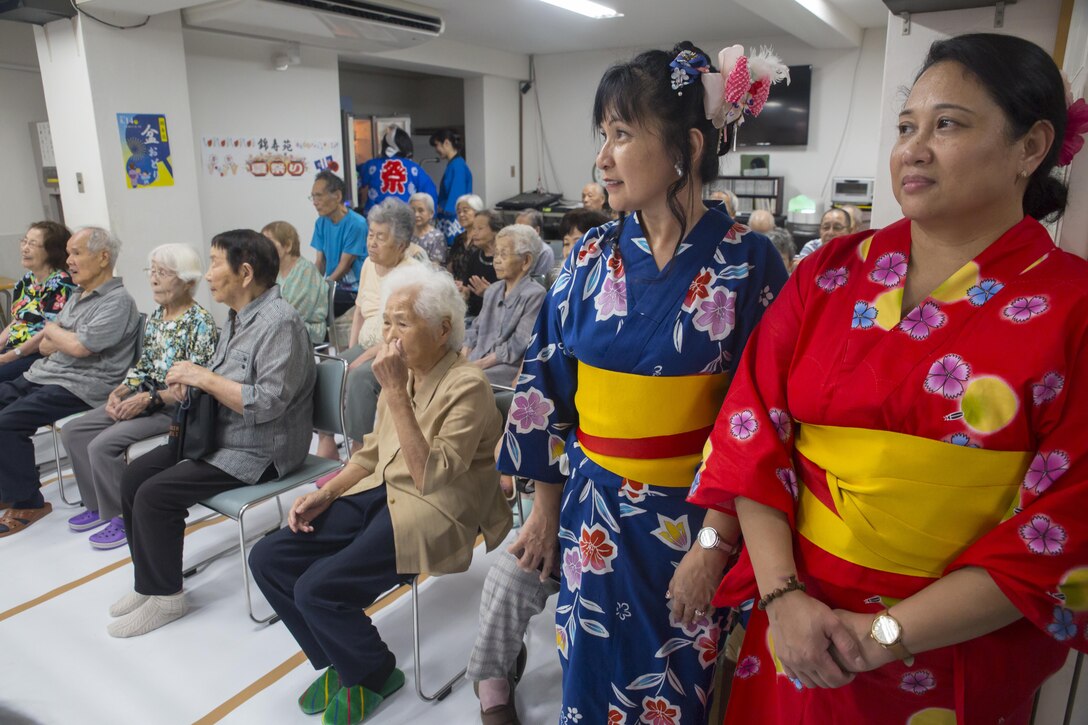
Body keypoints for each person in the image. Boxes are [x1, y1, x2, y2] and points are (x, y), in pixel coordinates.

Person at [688, 33, 1088, 724]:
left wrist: (878, 639)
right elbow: (751, 429)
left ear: (1031, 146)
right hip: (793, 629)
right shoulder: (827, 272)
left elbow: (1068, 524)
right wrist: (783, 597)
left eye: (948, 124)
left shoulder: (1072, 306)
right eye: (907, 126)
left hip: (942, 655)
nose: (914, 147)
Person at [491, 42, 788, 724]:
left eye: (622, 135)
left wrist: (714, 546)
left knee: (674, 686)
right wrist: (543, 507)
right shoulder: (589, 254)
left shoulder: (748, 262)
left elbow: (760, 415)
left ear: (686, 145)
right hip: (590, 513)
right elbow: (544, 383)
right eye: (603, 136)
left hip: (687, 523)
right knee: (585, 670)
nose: (602, 158)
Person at [249, 264, 512, 725]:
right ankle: (337, 656)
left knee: (317, 589)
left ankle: (373, 673)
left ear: (442, 329)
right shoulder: (406, 372)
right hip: (382, 490)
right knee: (269, 558)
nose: (389, 335)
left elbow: (431, 477)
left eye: (402, 322)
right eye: (386, 321)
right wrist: (327, 491)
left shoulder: (466, 385)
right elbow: (371, 454)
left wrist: (392, 390)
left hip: (436, 509)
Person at [107, 229, 315, 638]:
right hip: (221, 435)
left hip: (261, 450)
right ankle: (148, 582)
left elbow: (268, 403)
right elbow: (228, 380)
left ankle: (167, 597)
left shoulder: (280, 324)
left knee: (155, 494)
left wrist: (202, 376)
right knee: (134, 476)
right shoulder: (237, 317)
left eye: (216, 263)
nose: (208, 275)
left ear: (245, 272)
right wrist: (197, 383)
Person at [62, 244, 218, 549]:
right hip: (146, 399)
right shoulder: (159, 316)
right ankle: (97, 504)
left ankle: (123, 514)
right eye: (152, 271)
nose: (154, 280)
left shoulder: (200, 323)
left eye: (163, 273)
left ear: (188, 281)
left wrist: (148, 400)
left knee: (102, 446)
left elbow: (193, 387)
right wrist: (120, 391)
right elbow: (145, 365)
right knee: (73, 431)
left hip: (175, 410)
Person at [0, 227, 140, 536]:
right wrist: (48, 340)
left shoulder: (117, 301)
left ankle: (28, 500)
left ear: (103, 258)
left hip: (81, 385)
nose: (69, 260)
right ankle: (7, 486)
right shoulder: (79, 294)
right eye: (68, 253)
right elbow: (51, 337)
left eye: (76, 253)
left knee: (7, 422)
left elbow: (79, 346)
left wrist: (57, 336)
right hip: (47, 374)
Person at [315, 198, 425, 457]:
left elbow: (400, 332)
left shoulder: (413, 273)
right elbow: (360, 311)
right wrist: (352, 349)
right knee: (327, 368)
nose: (371, 243)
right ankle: (326, 442)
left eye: (380, 237)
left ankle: (360, 451)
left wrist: (360, 358)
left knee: (360, 376)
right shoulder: (367, 265)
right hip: (367, 343)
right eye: (371, 235)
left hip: (397, 347)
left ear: (401, 245)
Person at [462, 224, 547, 386]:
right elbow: (475, 329)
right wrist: (464, 356)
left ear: (526, 261)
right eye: (495, 255)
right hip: (477, 360)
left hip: (506, 366)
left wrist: (478, 365)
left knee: (466, 382)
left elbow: (519, 343)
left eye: (503, 255)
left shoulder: (535, 294)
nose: (497, 261)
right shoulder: (492, 290)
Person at [0, 221, 75, 383]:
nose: (25, 248)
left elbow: (49, 331)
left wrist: (9, 356)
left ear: (51, 251)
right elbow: (19, 319)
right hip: (14, 349)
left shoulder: (61, 284)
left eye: (33, 244)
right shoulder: (26, 280)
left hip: (37, 353)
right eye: (24, 241)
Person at [310, 170, 368, 349]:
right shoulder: (321, 223)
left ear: (337, 196)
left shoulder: (356, 223)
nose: (315, 202)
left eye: (319, 196)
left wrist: (321, 290)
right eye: (312, 197)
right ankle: (319, 355)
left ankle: (323, 352)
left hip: (353, 289)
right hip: (333, 287)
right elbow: (320, 262)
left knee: (315, 307)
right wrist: (311, 286)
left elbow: (344, 265)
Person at [263, 221, 328, 345]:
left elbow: (297, 312)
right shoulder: (274, 272)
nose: (263, 248)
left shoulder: (306, 270)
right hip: (281, 325)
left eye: (269, 242)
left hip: (305, 328)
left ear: (287, 245)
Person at [357, 127, 438, 213]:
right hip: (405, 220)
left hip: (376, 219)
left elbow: (354, 178)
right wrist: (431, 217)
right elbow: (430, 193)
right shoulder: (414, 169)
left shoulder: (372, 165)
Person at [431, 129, 473, 241]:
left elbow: (456, 196)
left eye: (437, 145)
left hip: (453, 219)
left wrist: (440, 210)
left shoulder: (457, 166)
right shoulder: (455, 164)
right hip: (449, 218)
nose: (436, 150)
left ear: (446, 143)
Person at [459, 209, 502, 318]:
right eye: (473, 228)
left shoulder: (505, 261)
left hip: (496, 318)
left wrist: (489, 292)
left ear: (495, 231)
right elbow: (466, 289)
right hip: (472, 317)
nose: (474, 233)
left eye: (480, 228)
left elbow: (511, 298)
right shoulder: (474, 256)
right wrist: (462, 293)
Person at [447, 194, 485, 284]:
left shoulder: (484, 238)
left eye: (465, 211)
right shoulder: (459, 239)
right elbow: (449, 267)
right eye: (458, 212)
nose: (461, 214)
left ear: (477, 212)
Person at [409, 192, 448, 266]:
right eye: (413, 210)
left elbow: (435, 267)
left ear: (431, 213)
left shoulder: (437, 237)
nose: (416, 214)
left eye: (421, 211)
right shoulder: (406, 234)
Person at [514, 209, 555, 276]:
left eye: (523, 229)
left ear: (536, 230)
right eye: (515, 228)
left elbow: (540, 282)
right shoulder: (512, 249)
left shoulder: (545, 252)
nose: (517, 232)